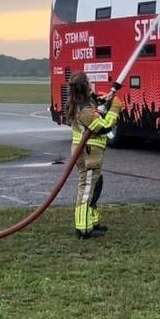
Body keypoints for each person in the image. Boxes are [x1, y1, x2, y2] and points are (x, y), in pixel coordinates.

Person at [65, 72, 123, 239]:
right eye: (89, 82)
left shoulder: (85, 103)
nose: (91, 84)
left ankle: (92, 222)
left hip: (90, 154)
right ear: (85, 86)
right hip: (87, 155)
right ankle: (83, 229)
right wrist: (115, 108)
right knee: (87, 190)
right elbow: (102, 127)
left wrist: (107, 98)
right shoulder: (84, 109)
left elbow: (95, 106)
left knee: (95, 186)